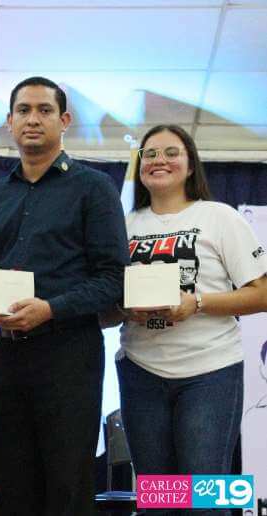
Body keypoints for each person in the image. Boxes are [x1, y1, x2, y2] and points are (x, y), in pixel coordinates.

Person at [0, 76, 129, 516]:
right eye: (23, 110)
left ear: (64, 120)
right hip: (6, 356)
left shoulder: (94, 188)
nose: (32, 119)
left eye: (44, 110)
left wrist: (51, 309)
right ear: (9, 121)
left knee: (67, 486)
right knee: (12, 487)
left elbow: (114, 278)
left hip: (68, 355)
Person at [115, 124, 267, 516]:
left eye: (171, 152)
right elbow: (105, 304)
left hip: (210, 372)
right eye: (150, 154)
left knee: (204, 501)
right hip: (140, 372)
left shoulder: (219, 217)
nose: (159, 160)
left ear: (190, 164)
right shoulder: (124, 226)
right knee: (158, 504)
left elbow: (262, 293)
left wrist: (196, 303)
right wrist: (125, 309)